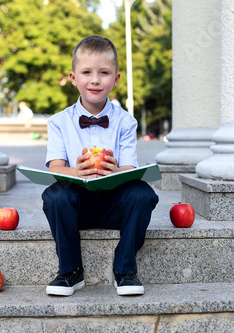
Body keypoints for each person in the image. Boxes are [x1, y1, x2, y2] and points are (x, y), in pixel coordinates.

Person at [41, 35, 159, 297]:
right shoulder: (59, 122)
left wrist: (115, 170)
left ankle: (125, 269)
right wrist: (77, 171)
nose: (95, 80)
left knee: (142, 192)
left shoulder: (126, 122)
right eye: (86, 72)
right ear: (74, 78)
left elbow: (131, 168)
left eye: (104, 73)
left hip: (114, 205)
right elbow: (56, 168)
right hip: (77, 206)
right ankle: (70, 271)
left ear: (115, 79)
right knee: (54, 195)